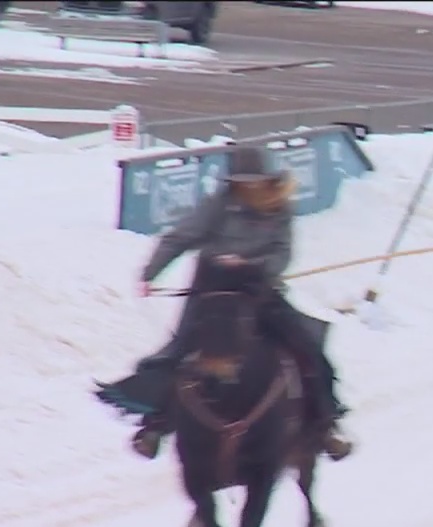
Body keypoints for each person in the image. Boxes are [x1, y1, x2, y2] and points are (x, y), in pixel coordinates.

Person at [118, 144, 353, 461]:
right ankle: (155, 426)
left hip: (258, 289)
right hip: (212, 287)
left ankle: (326, 424)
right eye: (242, 181)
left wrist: (251, 265)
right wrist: (151, 271)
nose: (248, 187)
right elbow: (181, 237)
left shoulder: (280, 208)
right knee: (183, 350)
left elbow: (283, 253)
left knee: (305, 346)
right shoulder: (219, 204)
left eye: (254, 180)